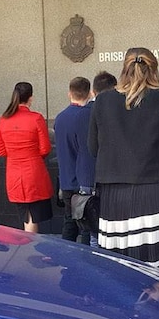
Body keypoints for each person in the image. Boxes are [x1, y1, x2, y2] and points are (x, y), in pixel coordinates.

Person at [88, 48, 159, 269]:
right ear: (154, 69)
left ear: (124, 69)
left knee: (120, 271)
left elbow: (93, 148)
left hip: (115, 199)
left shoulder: (103, 101)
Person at [0, 81, 54, 233]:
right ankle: (30, 251)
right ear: (31, 98)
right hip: (33, 171)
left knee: (25, 216)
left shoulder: (3, 119)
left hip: (13, 173)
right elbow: (45, 148)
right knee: (33, 217)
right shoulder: (36, 118)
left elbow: (1, 151)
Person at [54, 77, 96, 244]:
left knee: (69, 223)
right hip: (83, 181)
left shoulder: (60, 118)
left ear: (69, 93)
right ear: (89, 93)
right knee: (87, 225)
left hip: (66, 180)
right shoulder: (86, 117)